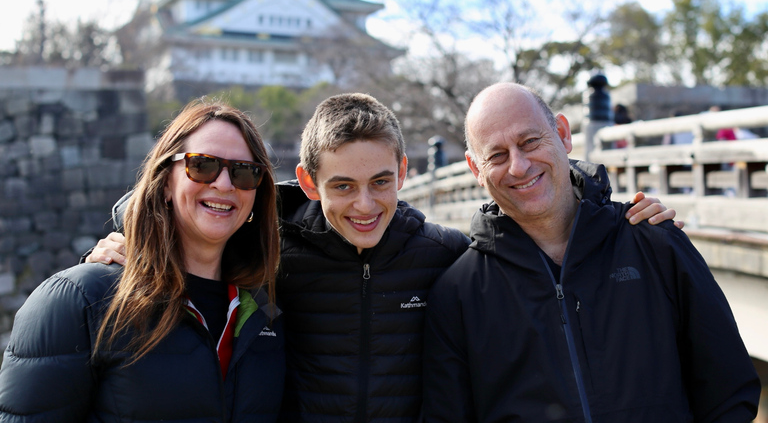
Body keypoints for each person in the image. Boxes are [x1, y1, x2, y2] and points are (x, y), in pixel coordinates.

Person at [87, 93, 678, 422]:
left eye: (380, 182)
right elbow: (195, 218)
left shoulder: (448, 257)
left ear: (404, 172)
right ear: (308, 182)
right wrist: (128, 242)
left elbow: (543, 251)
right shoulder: (271, 255)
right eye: (342, 186)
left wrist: (616, 215)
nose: (365, 205)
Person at [422, 83, 760, 422]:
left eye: (530, 142)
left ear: (563, 134)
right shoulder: (459, 294)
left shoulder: (654, 244)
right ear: (474, 169)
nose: (519, 166)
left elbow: (729, 390)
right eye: (497, 155)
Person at [0, 100, 285, 422]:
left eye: (244, 172)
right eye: (202, 165)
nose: (224, 183)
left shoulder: (266, 312)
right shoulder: (80, 300)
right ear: (165, 183)